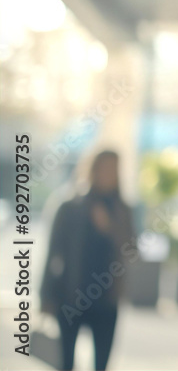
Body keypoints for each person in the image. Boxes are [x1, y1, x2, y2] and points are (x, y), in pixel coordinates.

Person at [41, 149, 135, 371]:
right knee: (66, 363)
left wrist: (109, 228)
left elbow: (132, 251)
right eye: (104, 167)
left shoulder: (122, 210)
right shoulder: (70, 206)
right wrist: (45, 296)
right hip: (70, 296)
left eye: (113, 169)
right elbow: (53, 253)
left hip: (107, 299)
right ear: (93, 169)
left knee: (101, 365)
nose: (108, 173)